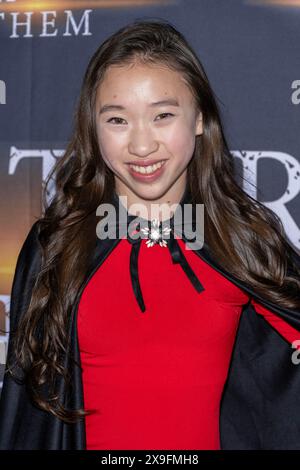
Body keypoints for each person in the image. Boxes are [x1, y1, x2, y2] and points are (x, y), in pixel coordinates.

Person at [0, 19, 300, 451]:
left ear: (199, 119)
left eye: (163, 115)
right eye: (118, 120)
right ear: (93, 127)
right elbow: (25, 415)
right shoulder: (56, 245)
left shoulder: (239, 237)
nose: (142, 146)